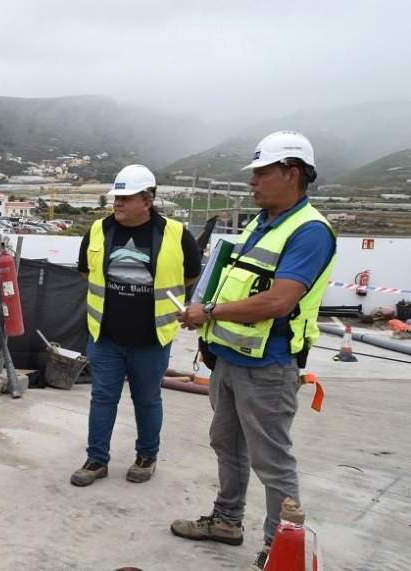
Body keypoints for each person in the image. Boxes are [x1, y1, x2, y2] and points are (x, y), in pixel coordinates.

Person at [171, 131, 337, 569]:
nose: (253, 182)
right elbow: (237, 281)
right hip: (229, 358)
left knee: (272, 461)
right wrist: (209, 330)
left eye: (262, 173)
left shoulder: (310, 231)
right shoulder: (261, 223)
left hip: (270, 366)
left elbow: (279, 301)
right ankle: (227, 521)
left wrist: (208, 312)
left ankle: (279, 549)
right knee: (226, 443)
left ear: (292, 173)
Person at [72, 164, 201, 487]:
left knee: (147, 399)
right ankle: (96, 459)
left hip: (152, 338)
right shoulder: (99, 231)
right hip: (106, 336)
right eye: (117, 197)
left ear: (148, 199)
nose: (118, 203)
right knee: (102, 398)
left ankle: (147, 456)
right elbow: (87, 272)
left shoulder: (175, 233)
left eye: (126, 198)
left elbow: (190, 275)